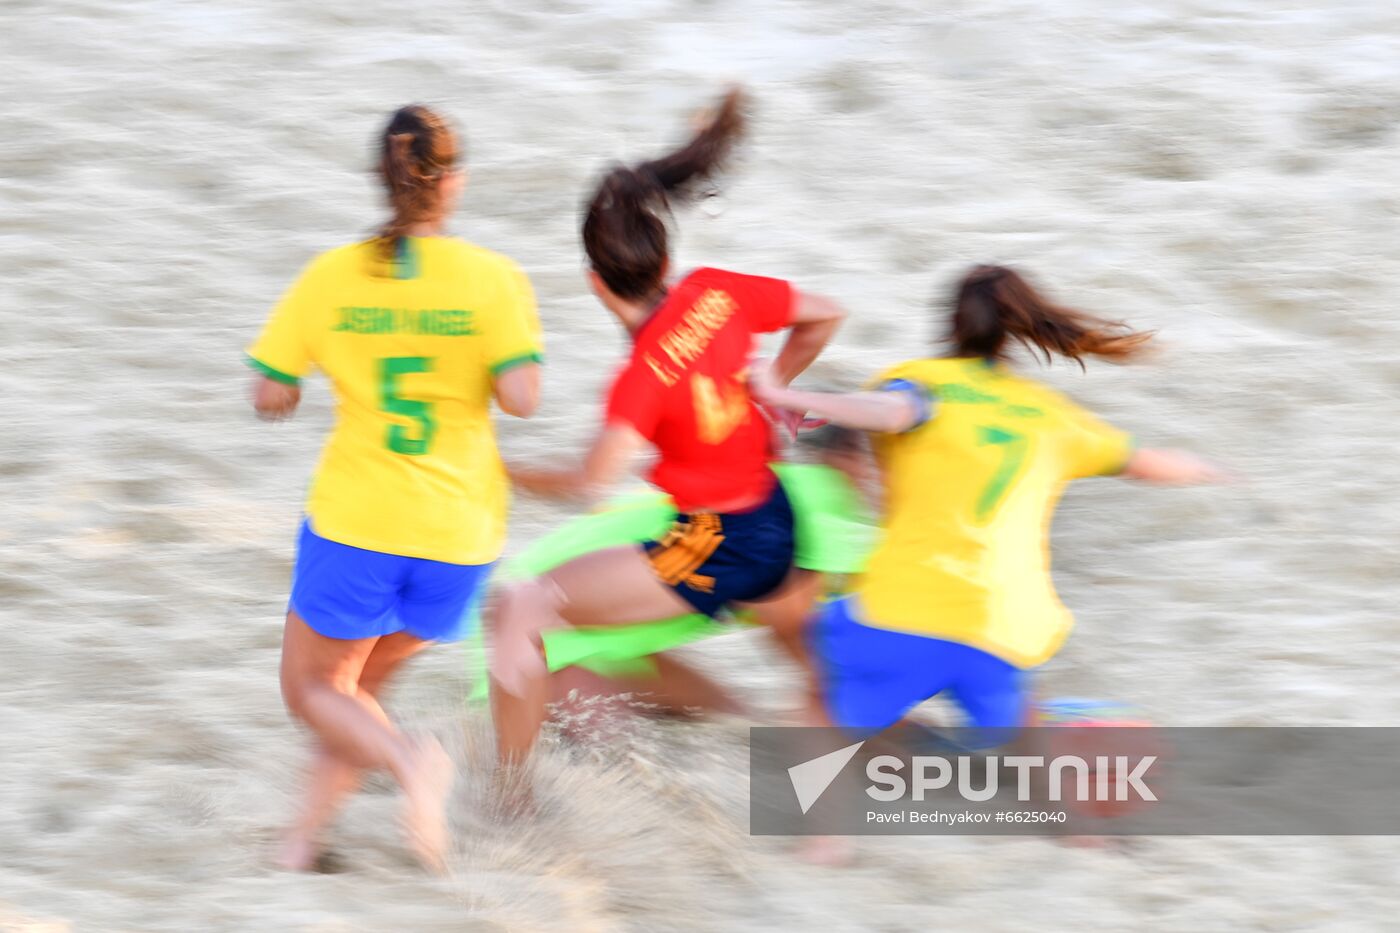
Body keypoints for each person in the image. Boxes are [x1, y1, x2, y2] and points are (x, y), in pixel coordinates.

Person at [489, 89, 846, 773]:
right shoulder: (715, 290)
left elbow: (590, 481)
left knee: (522, 605)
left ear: (597, 283)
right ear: (664, 262)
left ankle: (511, 803)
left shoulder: (640, 377)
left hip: (709, 542)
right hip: (777, 516)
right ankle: (885, 779)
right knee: (819, 675)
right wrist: (772, 388)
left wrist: (499, 466)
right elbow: (825, 314)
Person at [245, 105, 543, 871]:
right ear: (455, 183)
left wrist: (299, 386)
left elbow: (268, 392)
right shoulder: (494, 278)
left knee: (313, 685)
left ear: (382, 181)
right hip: (461, 534)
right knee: (356, 689)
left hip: (360, 522)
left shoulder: (331, 275)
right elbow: (522, 396)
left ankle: (415, 763)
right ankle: (299, 844)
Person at [751, 264, 1222, 739]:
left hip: (899, 614)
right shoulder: (1052, 414)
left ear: (952, 323)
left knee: (821, 688)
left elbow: (893, 413)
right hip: (1008, 634)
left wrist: (788, 393)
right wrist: (1211, 471)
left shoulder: (920, 381)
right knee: (1014, 739)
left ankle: (825, 803)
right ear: (1019, 329)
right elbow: (1148, 463)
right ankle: (1021, 751)